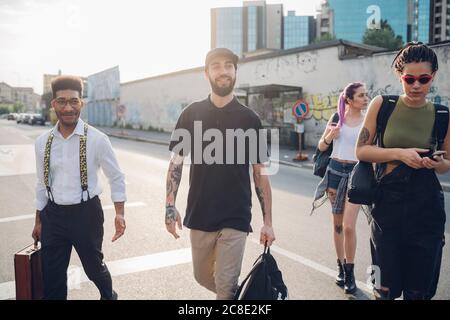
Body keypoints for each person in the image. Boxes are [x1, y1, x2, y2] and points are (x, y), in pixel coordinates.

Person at [165, 48, 276, 300]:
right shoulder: (191, 114)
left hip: (235, 215)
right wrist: (169, 206)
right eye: (216, 66)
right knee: (202, 276)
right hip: (200, 211)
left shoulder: (250, 119)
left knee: (225, 287)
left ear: (235, 71)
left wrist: (267, 221)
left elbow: (260, 172)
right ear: (207, 74)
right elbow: (176, 164)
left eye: (228, 65)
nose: (223, 71)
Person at [356, 42, 447, 300]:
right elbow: (361, 151)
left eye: (423, 79)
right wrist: (400, 154)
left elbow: (447, 164)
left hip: (426, 207)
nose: (416, 85)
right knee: (383, 290)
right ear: (400, 76)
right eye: (409, 79)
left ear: (433, 76)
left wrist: (434, 162)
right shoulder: (383, 104)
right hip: (387, 207)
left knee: (418, 291)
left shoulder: (442, 114)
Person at [32, 75, 126, 300]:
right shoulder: (42, 142)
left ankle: (108, 294)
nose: (68, 108)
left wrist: (120, 213)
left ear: (81, 103)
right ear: (53, 104)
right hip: (53, 216)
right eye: (62, 101)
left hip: (86, 214)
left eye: (74, 101)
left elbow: (116, 177)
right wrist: (38, 220)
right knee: (52, 278)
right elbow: (41, 183)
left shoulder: (97, 139)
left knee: (94, 268)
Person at [312, 82, 369, 294]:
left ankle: (350, 271)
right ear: (350, 100)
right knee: (337, 226)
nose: (365, 99)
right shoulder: (337, 118)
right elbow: (321, 146)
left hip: (356, 174)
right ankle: (341, 268)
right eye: (361, 96)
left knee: (348, 227)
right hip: (335, 172)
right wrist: (329, 136)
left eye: (366, 95)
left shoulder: (367, 121)